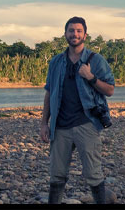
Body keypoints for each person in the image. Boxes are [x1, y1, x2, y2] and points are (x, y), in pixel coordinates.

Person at [39, 16, 115, 204]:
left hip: (87, 125)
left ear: (85, 35)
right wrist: (44, 124)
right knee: (56, 176)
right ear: (65, 34)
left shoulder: (96, 60)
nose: (75, 34)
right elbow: (49, 93)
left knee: (93, 174)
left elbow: (110, 90)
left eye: (79, 31)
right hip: (60, 127)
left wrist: (91, 77)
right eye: (71, 30)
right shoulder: (56, 62)